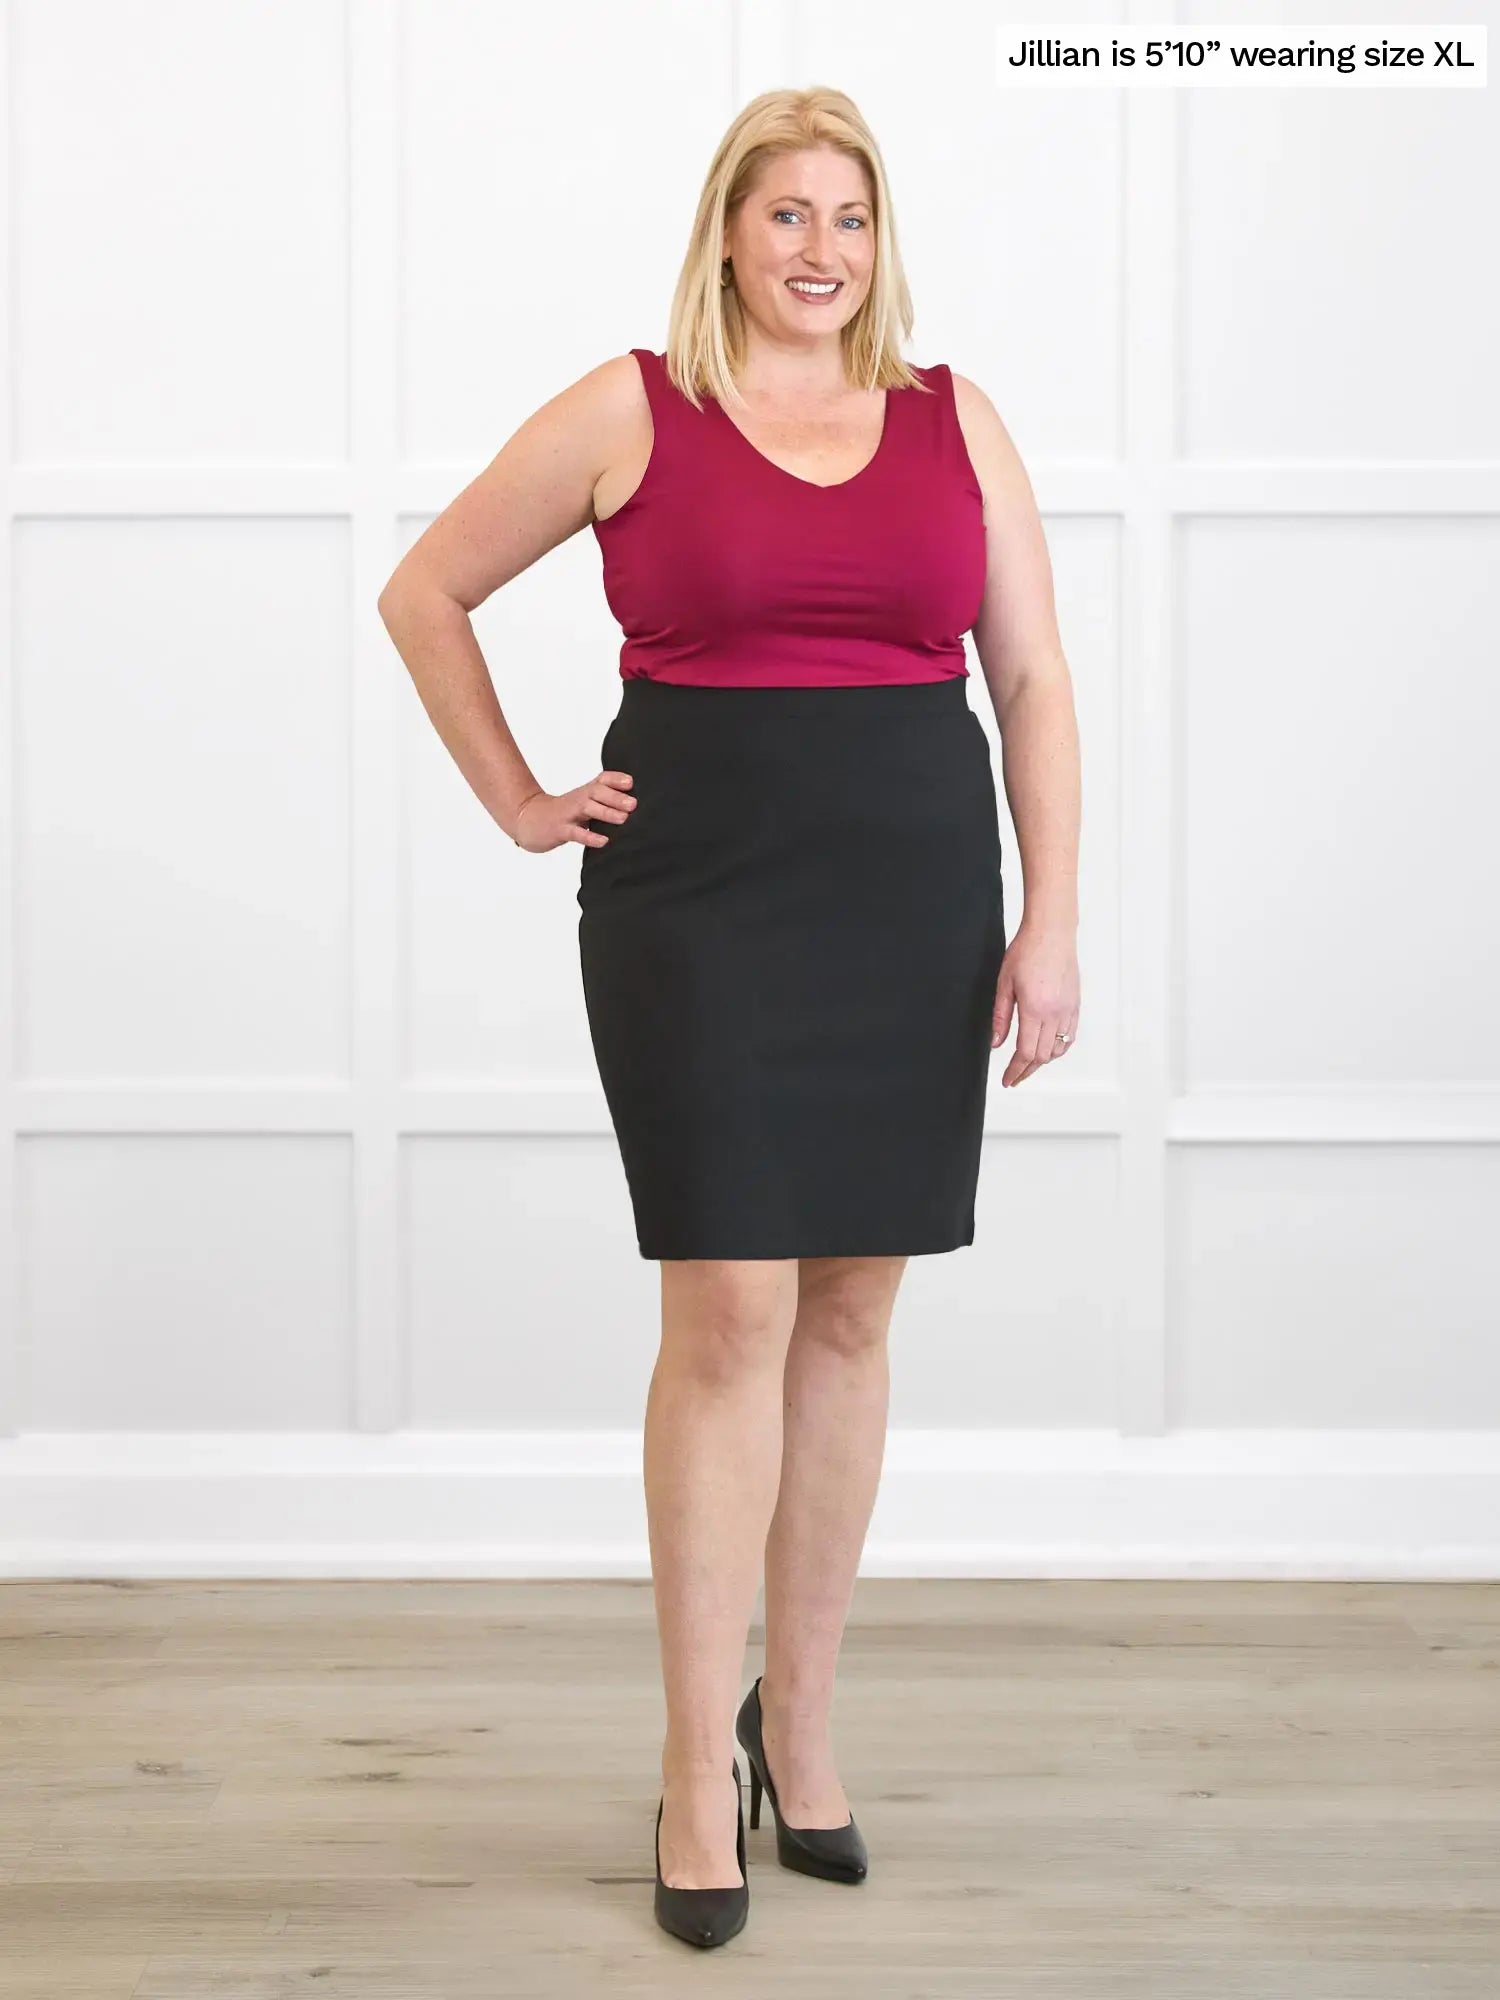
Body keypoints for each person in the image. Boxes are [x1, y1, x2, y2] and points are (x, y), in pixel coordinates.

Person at [378, 85, 1081, 1952]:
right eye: (784, 216)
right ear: (726, 234)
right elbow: (424, 585)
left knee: (853, 1303)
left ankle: (809, 1732)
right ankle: (700, 1762)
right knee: (735, 1305)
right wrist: (522, 795)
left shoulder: (957, 420)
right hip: (700, 909)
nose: (818, 251)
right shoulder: (635, 408)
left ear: (881, 240)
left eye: (848, 217)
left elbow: (1030, 677)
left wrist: (1055, 920)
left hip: (913, 904)